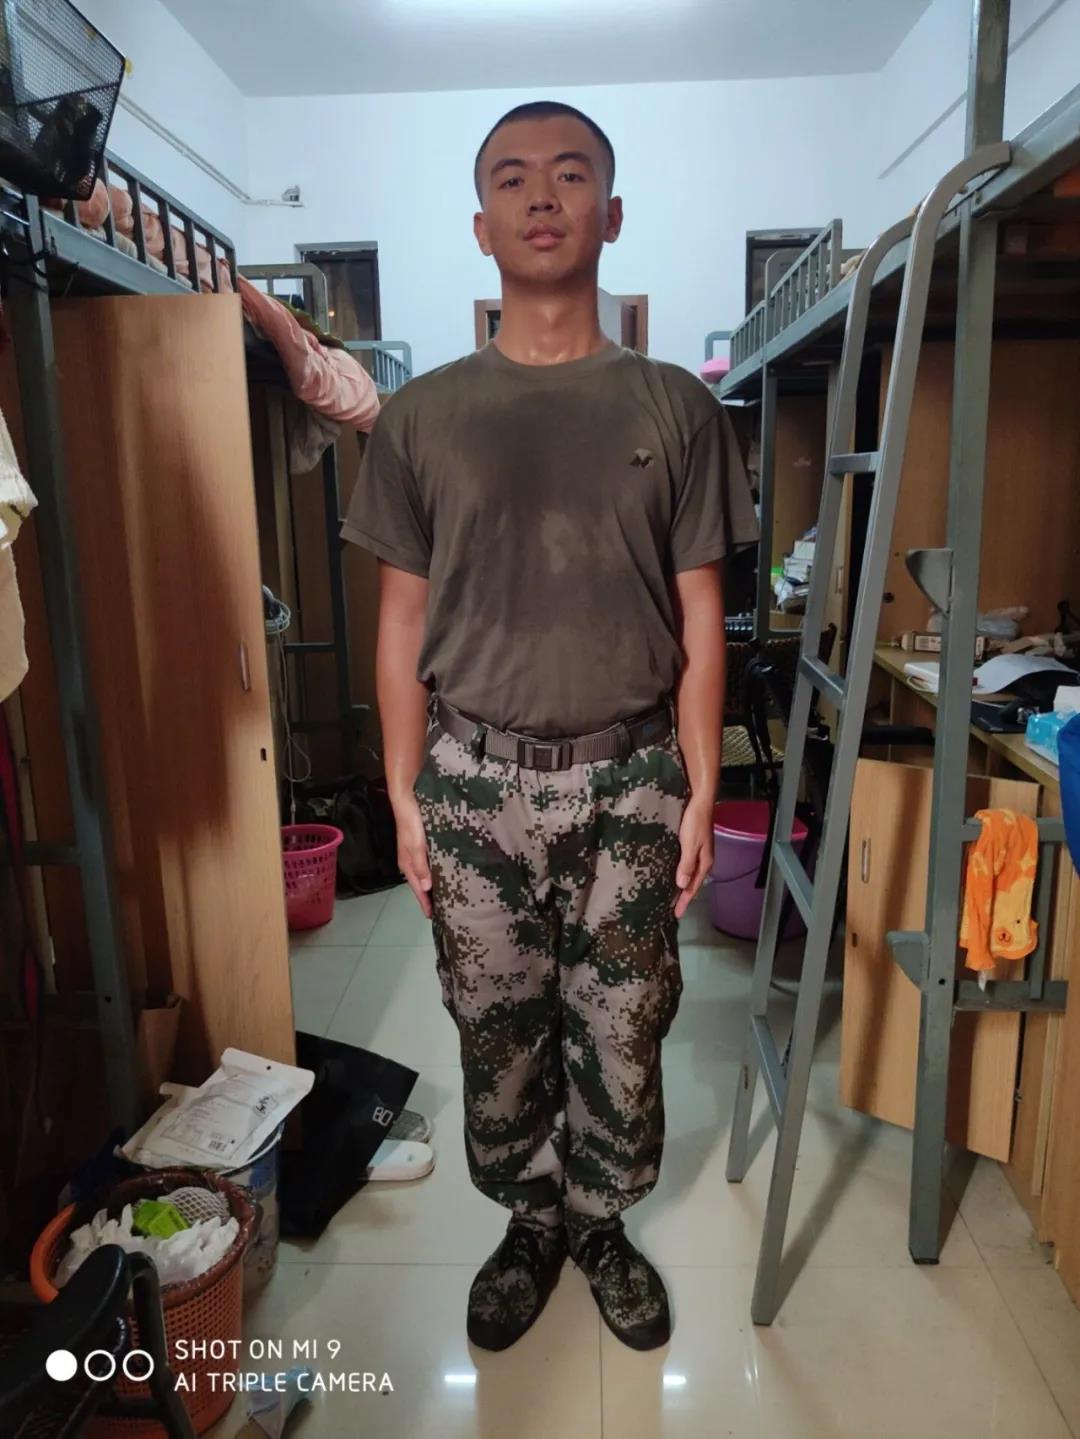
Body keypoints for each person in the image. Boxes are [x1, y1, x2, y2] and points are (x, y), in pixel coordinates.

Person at [341, 100, 758, 1353]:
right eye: (513, 178)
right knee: (497, 1022)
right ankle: (530, 1219)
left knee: (625, 1022)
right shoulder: (420, 418)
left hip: (633, 777)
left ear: (610, 214)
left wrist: (699, 786)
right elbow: (401, 622)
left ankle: (602, 1220)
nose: (542, 195)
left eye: (571, 175)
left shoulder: (676, 406)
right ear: (480, 226)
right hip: (472, 779)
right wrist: (403, 793)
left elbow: (701, 615)